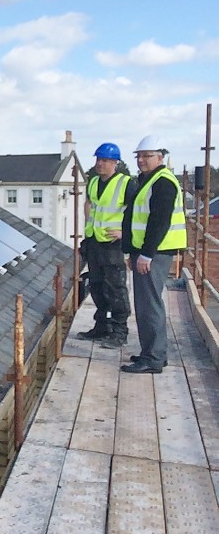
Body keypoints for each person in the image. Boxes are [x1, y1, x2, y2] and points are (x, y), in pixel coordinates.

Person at [120, 135, 187, 374]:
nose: (141, 160)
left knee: (149, 305)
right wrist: (132, 251)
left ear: (161, 157)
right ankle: (153, 352)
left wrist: (146, 255)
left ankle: (153, 358)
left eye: (147, 156)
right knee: (147, 304)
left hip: (155, 253)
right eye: (139, 156)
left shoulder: (162, 182)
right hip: (147, 251)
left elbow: (159, 221)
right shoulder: (150, 180)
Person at [78, 142, 136, 348]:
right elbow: (89, 204)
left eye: (104, 160)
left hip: (113, 244)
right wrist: (88, 227)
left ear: (115, 163)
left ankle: (120, 332)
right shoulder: (93, 182)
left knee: (116, 288)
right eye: (98, 159)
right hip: (95, 241)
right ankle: (102, 326)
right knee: (97, 285)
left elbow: (136, 211)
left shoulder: (125, 183)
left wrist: (124, 233)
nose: (99, 163)